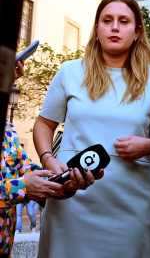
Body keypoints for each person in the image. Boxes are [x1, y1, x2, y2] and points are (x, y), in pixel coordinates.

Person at [32, 0, 150, 258]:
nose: (115, 27)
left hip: (132, 205)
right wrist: (48, 160)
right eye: (107, 20)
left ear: (138, 31)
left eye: (124, 21)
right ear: (97, 29)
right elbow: (44, 124)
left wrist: (148, 146)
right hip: (72, 199)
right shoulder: (69, 72)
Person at [1, 60, 93, 257]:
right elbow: (21, 184)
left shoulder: (7, 130)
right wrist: (21, 188)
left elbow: (25, 170)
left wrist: (63, 183)